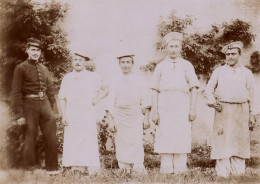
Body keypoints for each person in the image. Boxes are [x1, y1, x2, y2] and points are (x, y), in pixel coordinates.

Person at [205, 41, 260, 177]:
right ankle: (223, 172)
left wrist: (253, 114)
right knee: (222, 140)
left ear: (239, 55)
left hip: (242, 110)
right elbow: (209, 89)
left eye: (233, 54)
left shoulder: (246, 73)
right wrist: (212, 102)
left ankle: (238, 172)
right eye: (228, 54)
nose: (230, 57)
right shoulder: (219, 71)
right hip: (223, 110)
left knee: (239, 140)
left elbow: (253, 94)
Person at [151, 32, 200, 174]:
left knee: (181, 134)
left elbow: (194, 88)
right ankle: (166, 169)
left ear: (180, 47)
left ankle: (180, 169)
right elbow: (154, 90)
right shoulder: (160, 66)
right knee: (165, 135)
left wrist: (192, 109)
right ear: (166, 48)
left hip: (181, 104)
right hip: (164, 104)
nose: (173, 49)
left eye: (176, 46)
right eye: (170, 46)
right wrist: (154, 111)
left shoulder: (187, 65)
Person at [10, 38, 59, 175]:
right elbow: (15, 92)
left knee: (51, 135)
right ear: (27, 51)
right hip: (28, 105)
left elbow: (50, 89)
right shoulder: (21, 68)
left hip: (44, 104)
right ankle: (30, 168)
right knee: (30, 136)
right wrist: (19, 115)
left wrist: (54, 110)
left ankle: (52, 168)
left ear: (40, 52)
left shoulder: (44, 68)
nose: (35, 53)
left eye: (38, 50)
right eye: (33, 50)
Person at [58, 53, 105, 176]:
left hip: (87, 113)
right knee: (73, 139)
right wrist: (63, 115)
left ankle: (90, 167)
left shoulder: (93, 77)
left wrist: (96, 100)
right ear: (72, 62)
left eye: (80, 60)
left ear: (85, 62)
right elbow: (62, 97)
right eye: (75, 59)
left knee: (88, 139)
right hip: (71, 113)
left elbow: (106, 88)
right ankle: (76, 167)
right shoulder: (67, 78)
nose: (77, 62)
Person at [106, 53, 151, 174]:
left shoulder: (139, 79)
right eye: (123, 62)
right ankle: (124, 166)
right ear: (119, 64)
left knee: (136, 140)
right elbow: (110, 101)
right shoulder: (115, 80)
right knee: (121, 140)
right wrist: (111, 120)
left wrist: (146, 118)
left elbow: (146, 99)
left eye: (128, 62)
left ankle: (138, 166)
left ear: (132, 64)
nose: (125, 65)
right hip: (120, 114)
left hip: (135, 113)